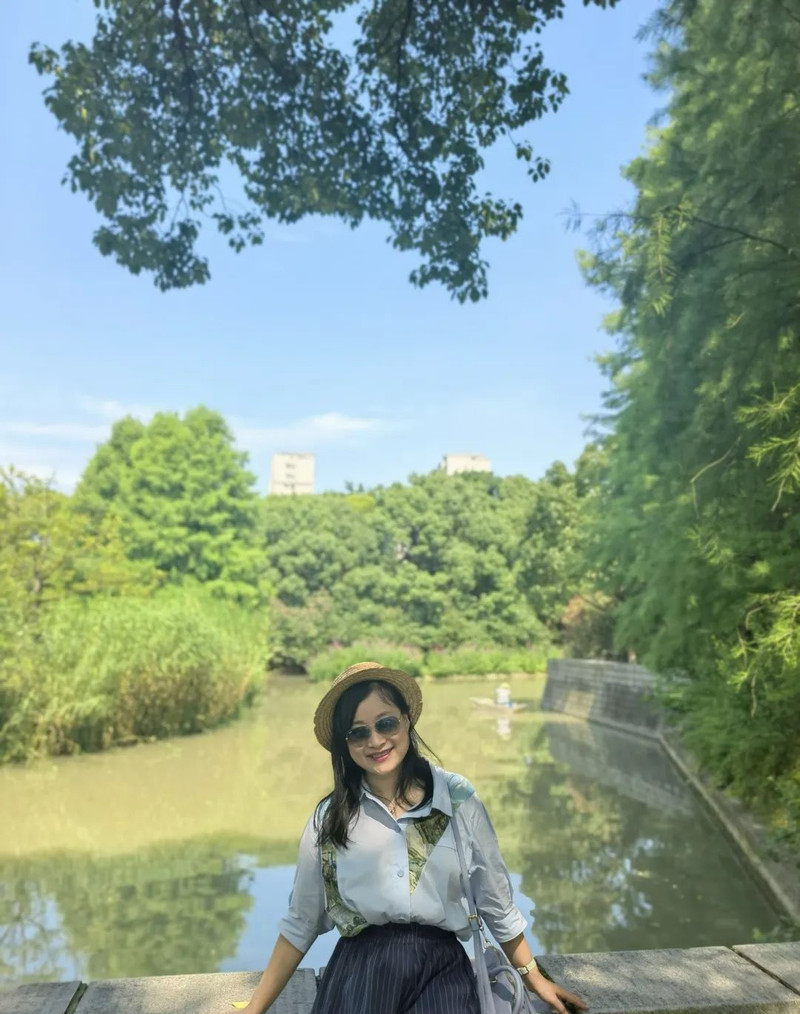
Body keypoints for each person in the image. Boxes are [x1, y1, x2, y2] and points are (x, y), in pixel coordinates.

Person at [232, 661, 587, 1014]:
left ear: (406, 720)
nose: (375, 740)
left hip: (442, 971)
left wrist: (534, 978)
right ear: (345, 744)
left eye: (386, 723)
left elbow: (495, 901)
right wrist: (255, 1007)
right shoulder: (330, 818)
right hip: (359, 974)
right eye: (358, 732)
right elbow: (301, 921)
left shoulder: (456, 799)